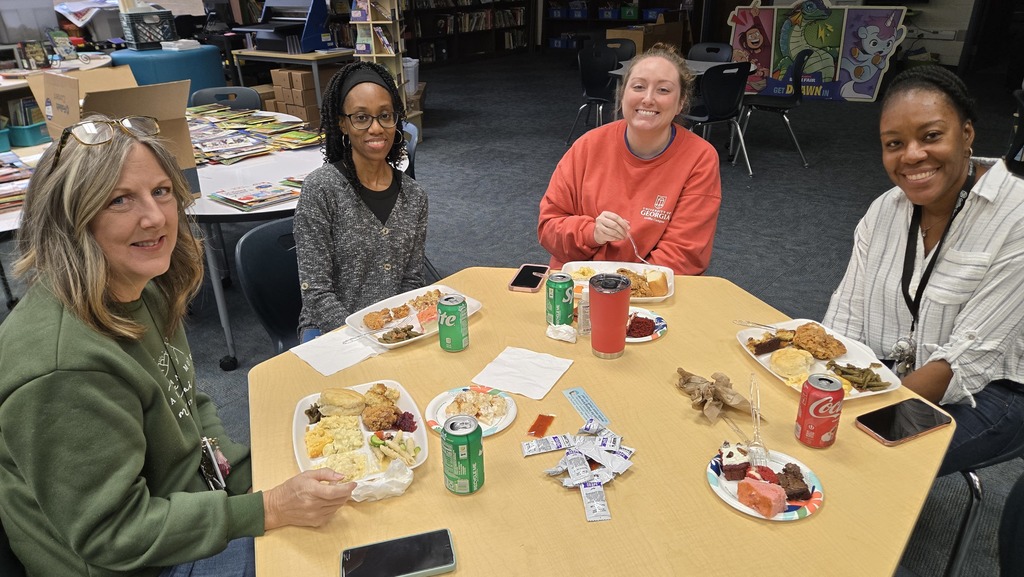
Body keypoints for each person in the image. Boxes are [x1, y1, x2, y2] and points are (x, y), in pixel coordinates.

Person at [0, 115, 356, 576]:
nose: (154, 217)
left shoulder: (139, 286)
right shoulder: (63, 369)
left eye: (161, 191)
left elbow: (189, 404)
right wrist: (264, 509)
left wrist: (257, 483)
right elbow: (113, 535)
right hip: (137, 563)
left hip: (185, 506)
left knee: (351, 517)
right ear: (70, 220)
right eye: (119, 199)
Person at [823, 65, 1024, 476]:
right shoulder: (884, 210)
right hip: (893, 374)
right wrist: (821, 386)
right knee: (812, 431)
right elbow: (845, 315)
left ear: (966, 134)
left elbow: (968, 359)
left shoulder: (1016, 211)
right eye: (894, 143)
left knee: (860, 459)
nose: (911, 155)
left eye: (931, 136)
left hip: (990, 390)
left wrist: (848, 418)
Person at [537, 42, 722, 275]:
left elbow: (683, 255)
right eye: (638, 87)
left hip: (650, 293)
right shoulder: (587, 146)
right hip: (578, 284)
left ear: (681, 102)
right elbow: (549, 227)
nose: (648, 99)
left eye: (663, 90)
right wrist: (591, 233)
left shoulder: (699, 158)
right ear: (622, 94)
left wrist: (619, 286)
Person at [295, 61, 428, 341]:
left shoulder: (414, 197)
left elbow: (412, 281)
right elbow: (316, 292)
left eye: (385, 115)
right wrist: (364, 340)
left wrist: (397, 334)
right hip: (330, 330)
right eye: (361, 117)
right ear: (343, 123)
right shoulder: (321, 190)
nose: (376, 128)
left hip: (393, 332)